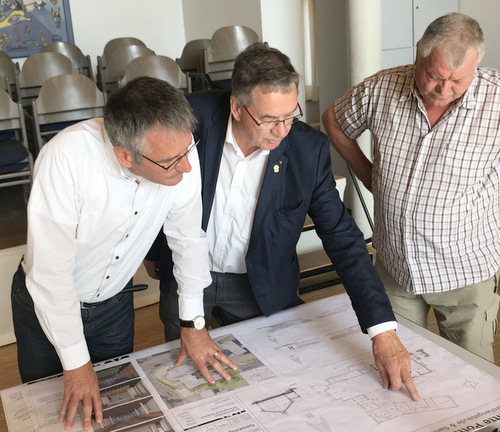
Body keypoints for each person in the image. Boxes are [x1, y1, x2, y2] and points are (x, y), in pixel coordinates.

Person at [144, 42, 420, 401]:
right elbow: (153, 183)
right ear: (237, 107)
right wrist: (153, 252)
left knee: (265, 383)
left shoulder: (308, 150)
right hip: (185, 274)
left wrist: (381, 331)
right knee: (181, 375)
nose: (282, 130)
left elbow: (342, 238)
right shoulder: (190, 120)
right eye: (270, 119)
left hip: (259, 283)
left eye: (291, 115)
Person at [10, 77, 224, 431]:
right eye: (172, 162)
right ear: (125, 155)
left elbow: (188, 239)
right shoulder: (65, 160)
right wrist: (77, 364)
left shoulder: (178, 150)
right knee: (52, 412)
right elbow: (51, 275)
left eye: (189, 151)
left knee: (117, 408)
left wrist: (193, 323)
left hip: (113, 304)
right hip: (46, 304)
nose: (187, 168)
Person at [322, 13, 500, 362]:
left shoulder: (496, 102)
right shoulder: (381, 88)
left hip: (464, 274)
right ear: (419, 51)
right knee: (398, 364)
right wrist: (368, 173)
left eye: (457, 81)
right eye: (434, 76)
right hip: (395, 268)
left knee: (472, 376)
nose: (443, 90)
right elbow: (334, 119)